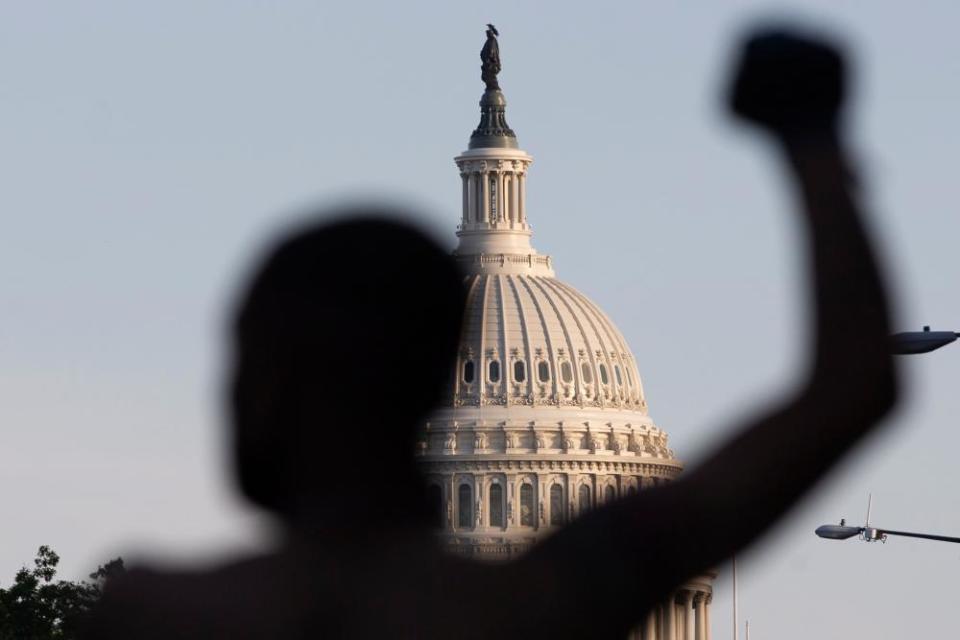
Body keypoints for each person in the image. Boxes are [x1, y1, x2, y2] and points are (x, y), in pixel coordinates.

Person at [82, 28, 899, 639]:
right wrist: (811, 141)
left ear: (281, 388)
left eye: (247, 355)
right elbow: (850, 393)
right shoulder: (534, 604)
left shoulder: (163, 615)